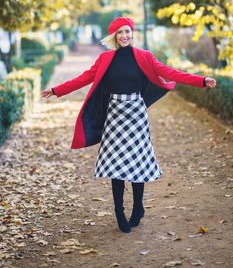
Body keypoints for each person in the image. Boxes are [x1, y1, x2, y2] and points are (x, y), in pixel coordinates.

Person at [41, 17, 217, 234]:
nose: (124, 36)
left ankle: (138, 208)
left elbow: (170, 72)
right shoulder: (105, 59)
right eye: (120, 33)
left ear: (132, 33)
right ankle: (119, 212)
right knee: (116, 165)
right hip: (114, 115)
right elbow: (83, 78)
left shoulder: (144, 56)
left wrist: (201, 80)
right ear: (114, 36)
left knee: (136, 163)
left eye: (127, 32)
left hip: (136, 115)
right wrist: (56, 90)